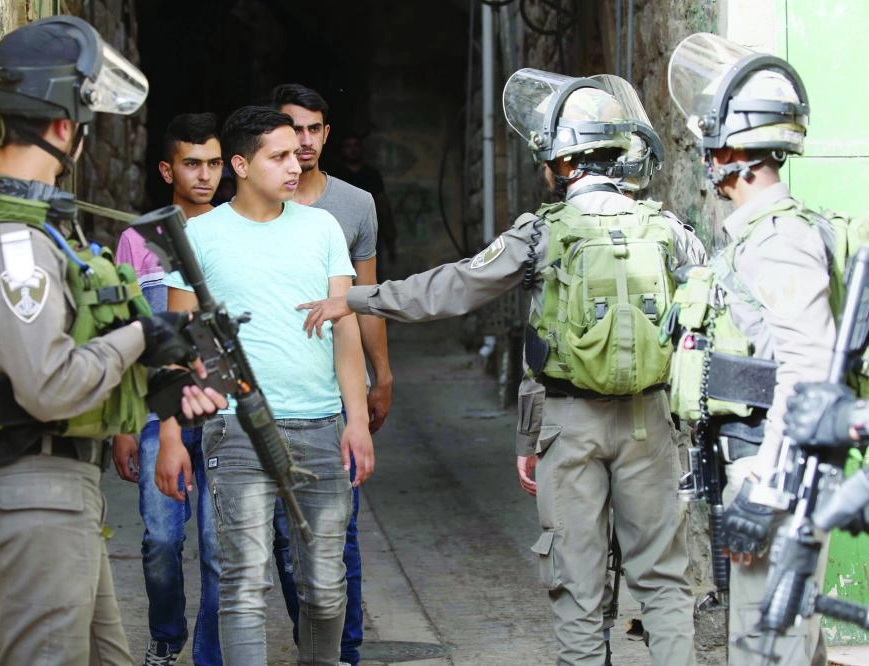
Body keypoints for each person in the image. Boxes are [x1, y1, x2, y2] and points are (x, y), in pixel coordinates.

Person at [299, 70, 699, 666]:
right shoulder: (669, 232)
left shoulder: (541, 233)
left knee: (577, 585)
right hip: (652, 422)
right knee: (665, 584)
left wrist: (358, 297)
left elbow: (451, 288)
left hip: (570, 425)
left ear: (559, 164)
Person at [0, 16, 227, 666]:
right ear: (60, 127)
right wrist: (144, 331)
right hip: (34, 488)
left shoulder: (41, 231)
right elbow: (49, 385)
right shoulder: (17, 244)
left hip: (60, 487)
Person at [156, 105, 375, 666]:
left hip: (322, 427)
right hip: (235, 432)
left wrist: (356, 420)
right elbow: (180, 344)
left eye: (295, 153)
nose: (295, 163)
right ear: (240, 165)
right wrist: (175, 437)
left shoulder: (324, 227)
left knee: (326, 589)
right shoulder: (196, 236)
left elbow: (344, 327)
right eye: (277, 155)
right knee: (243, 588)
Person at [667, 32, 833, 665]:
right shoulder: (751, 237)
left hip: (775, 472)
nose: (707, 155)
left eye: (714, 143)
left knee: (769, 650)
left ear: (734, 148)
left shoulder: (780, 241)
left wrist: (766, 484)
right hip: (758, 464)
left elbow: (809, 370)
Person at [269, 82, 392, 666]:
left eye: (316, 129)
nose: (307, 141)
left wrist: (381, 375)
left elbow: (364, 296)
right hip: (272, 388)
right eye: (295, 128)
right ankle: (311, 640)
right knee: (282, 538)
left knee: (339, 531)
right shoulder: (256, 198)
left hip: (337, 389)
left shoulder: (355, 205)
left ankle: (345, 652)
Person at [111, 113, 225, 666]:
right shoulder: (137, 241)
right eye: (191, 164)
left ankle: (210, 650)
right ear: (167, 169)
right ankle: (166, 635)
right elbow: (123, 340)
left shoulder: (234, 230)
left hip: (224, 415)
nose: (204, 175)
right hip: (158, 417)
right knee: (160, 542)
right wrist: (123, 427)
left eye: (213, 164)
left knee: (216, 548)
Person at [335, 131, 396, 277]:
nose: (352, 149)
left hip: (370, 231)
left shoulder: (371, 174)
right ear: (342, 149)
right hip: (342, 233)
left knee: (371, 276)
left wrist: (390, 236)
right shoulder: (336, 174)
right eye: (348, 146)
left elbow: (382, 204)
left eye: (356, 145)